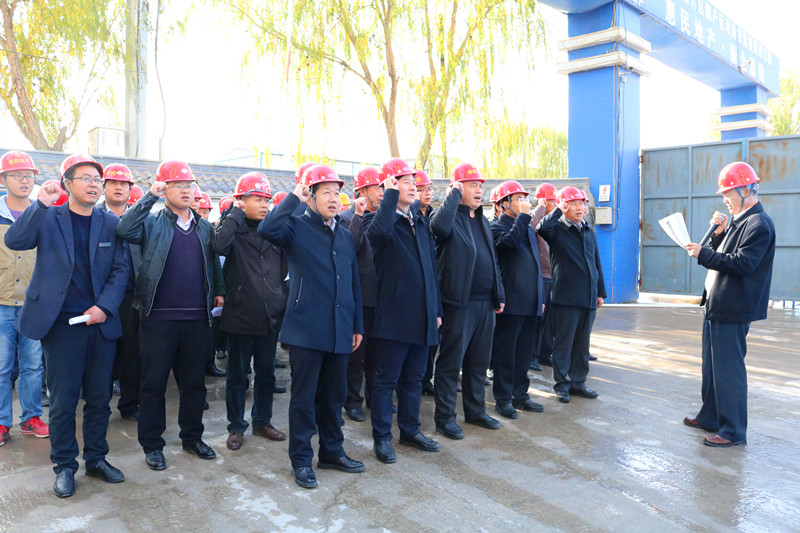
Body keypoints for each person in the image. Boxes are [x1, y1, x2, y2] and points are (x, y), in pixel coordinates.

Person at [5, 153, 130, 498]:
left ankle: (96, 459)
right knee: (63, 402)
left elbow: (121, 269)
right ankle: (64, 465)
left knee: (100, 399)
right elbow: (15, 241)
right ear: (67, 184)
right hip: (61, 326)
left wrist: (104, 307)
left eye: (97, 180)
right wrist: (40, 204)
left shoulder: (109, 222)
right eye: (86, 178)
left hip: (99, 324)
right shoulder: (49, 217)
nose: (94, 185)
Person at [259, 164, 365, 489]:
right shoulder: (295, 227)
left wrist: (357, 324)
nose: (333, 199)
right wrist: (294, 197)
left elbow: (353, 282)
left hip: (340, 329)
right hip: (306, 330)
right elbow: (267, 228)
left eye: (337, 193)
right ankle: (302, 460)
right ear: (311, 196)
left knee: (334, 396)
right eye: (326, 192)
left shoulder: (344, 234)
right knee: (304, 400)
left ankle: (332, 452)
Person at [116, 160, 218, 471]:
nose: (186, 191)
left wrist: (219, 293)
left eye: (189, 185)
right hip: (158, 318)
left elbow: (213, 265)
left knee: (194, 384)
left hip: (197, 319)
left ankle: (192, 437)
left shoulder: (205, 228)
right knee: (153, 384)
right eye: (178, 186)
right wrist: (149, 196)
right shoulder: (152, 223)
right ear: (165, 189)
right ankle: (152, 445)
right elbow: (124, 229)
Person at [684, 161, 775, 447]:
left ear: (746, 190)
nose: (725, 199)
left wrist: (703, 254)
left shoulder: (759, 224)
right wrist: (720, 233)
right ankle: (710, 417)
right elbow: (727, 252)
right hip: (718, 304)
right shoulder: (740, 221)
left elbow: (743, 263)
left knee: (728, 371)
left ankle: (732, 431)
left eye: (728, 193)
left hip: (733, 308)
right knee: (712, 367)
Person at [367, 158, 442, 463]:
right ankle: (382, 438)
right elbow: (378, 235)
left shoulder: (419, 220)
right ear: (390, 186)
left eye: (414, 182)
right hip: (395, 316)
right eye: (405, 182)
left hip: (423, 315)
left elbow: (431, 270)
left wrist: (436, 309)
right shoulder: (379, 220)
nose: (413, 186)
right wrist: (387, 196)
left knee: (414, 378)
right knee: (386, 380)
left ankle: (410, 430)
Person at [212, 172, 288, 450]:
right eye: (257, 199)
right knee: (237, 376)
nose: (264, 204)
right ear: (241, 201)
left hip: (269, 316)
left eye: (266, 199)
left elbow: (282, 269)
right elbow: (218, 246)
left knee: (266, 373)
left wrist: (278, 299)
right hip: (240, 315)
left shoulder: (273, 230)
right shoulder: (232, 227)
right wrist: (234, 214)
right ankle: (236, 426)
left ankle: (262, 421)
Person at [430, 163, 505, 440]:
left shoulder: (483, 221)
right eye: (472, 185)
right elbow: (438, 228)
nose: (478, 191)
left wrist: (499, 294)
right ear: (458, 188)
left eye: (479, 186)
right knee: (451, 363)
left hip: (486, 304)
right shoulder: (449, 217)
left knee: (478, 362)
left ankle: (475, 411)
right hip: (459, 303)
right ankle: (445, 418)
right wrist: (452, 194)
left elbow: (493, 261)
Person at [536, 186, 605, 404]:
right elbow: (541, 228)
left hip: (588, 296)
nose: (580, 208)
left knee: (582, 345)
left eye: (582, 203)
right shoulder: (557, 229)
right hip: (566, 297)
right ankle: (562, 385)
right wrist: (558, 209)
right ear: (564, 205)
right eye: (573, 203)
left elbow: (596, 263)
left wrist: (600, 292)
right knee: (564, 344)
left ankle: (578, 383)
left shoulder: (588, 231)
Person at [0, 151, 48, 448]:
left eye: (28, 176)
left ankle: (31, 417)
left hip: (33, 303)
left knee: (33, 366)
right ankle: (2, 422)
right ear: (3, 179)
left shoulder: (42, 212)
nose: (24, 181)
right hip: (1, 301)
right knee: (2, 367)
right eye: (17, 175)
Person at [490, 181, 545, 419]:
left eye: (525, 198)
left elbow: (535, 264)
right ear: (502, 205)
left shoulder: (528, 228)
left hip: (531, 302)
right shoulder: (496, 227)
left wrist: (540, 297)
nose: (524, 202)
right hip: (511, 303)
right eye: (518, 198)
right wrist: (523, 217)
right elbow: (508, 244)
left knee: (524, 354)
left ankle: (520, 394)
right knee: (506, 354)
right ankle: (503, 399)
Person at [96, 163, 142, 421]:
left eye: (123, 184)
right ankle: (99, 406)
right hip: (100, 297)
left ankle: (130, 405)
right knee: (102, 356)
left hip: (132, 297)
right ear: (104, 187)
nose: (118, 187)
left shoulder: (140, 218)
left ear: (129, 189)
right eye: (112, 183)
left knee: (131, 354)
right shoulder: (92, 215)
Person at [338, 166, 382, 422]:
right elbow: (349, 249)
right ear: (362, 191)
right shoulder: (345, 218)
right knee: (356, 354)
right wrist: (358, 214)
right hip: (359, 297)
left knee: (377, 353)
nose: (381, 193)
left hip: (382, 297)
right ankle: (352, 400)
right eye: (376, 188)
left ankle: (374, 397)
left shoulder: (385, 217)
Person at [414, 169, 438, 396]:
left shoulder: (433, 216)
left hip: (433, 282)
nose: (427, 193)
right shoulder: (408, 217)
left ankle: (425, 379)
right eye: (421, 189)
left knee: (432, 342)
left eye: (429, 189)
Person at [530, 183, 558, 370]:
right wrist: (540, 208)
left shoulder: (555, 220)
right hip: (540, 277)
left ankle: (545, 354)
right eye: (551, 201)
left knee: (550, 319)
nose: (554, 204)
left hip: (553, 276)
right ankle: (532, 355)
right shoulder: (536, 218)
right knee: (537, 319)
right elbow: (531, 228)